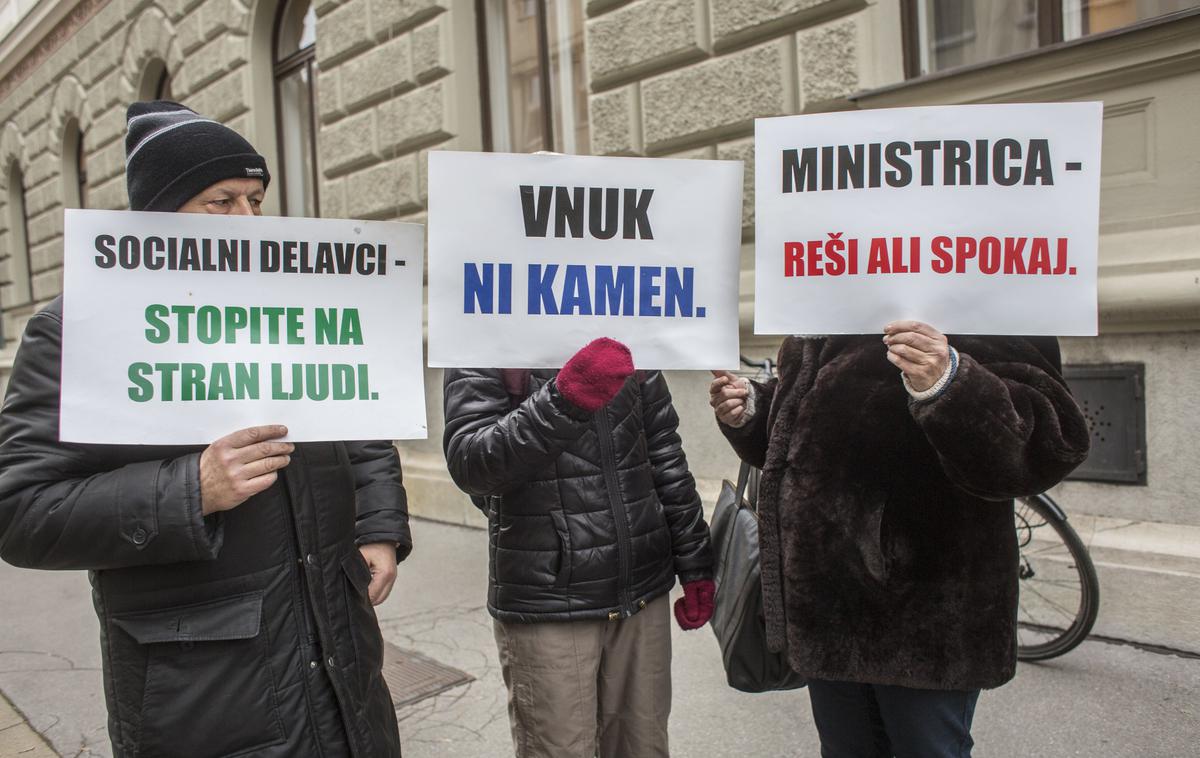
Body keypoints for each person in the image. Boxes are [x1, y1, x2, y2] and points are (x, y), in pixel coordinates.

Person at [0, 101, 410, 758]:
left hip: (339, 661)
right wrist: (190, 489)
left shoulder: (296, 305)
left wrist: (380, 530)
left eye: (255, 199)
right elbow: (20, 511)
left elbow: (360, 426)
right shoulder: (77, 328)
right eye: (222, 202)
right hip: (203, 689)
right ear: (159, 213)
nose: (248, 221)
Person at [710, 322, 1090, 758]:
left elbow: (1048, 445)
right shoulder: (822, 304)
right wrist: (753, 410)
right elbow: (802, 435)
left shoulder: (985, 295)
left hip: (925, 616)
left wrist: (949, 382)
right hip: (827, 608)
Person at [442, 337, 714, 758]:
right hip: (551, 599)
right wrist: (563, 399)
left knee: (644, 747)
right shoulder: (486, 324)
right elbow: (472, 464)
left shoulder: (629, 321)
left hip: (641, 589)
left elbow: (664, 451)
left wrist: (695, 558)